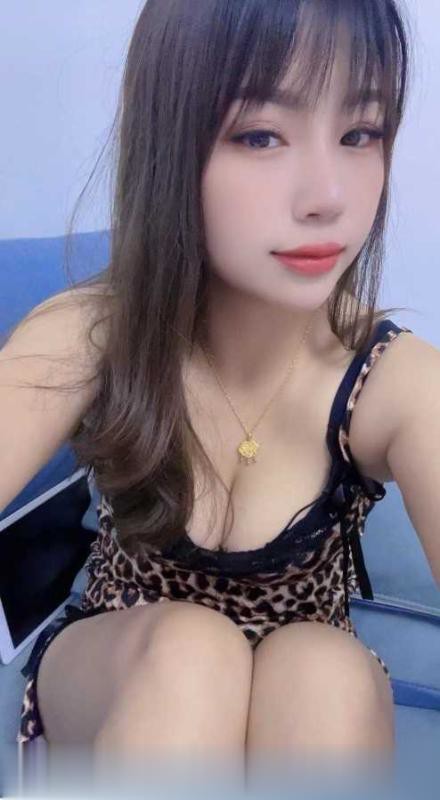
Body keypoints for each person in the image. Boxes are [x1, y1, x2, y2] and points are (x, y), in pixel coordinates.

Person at [2, 0, 427, 791]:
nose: (327, 195)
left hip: (306, 697)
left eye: (359, 133)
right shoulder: (96, 331)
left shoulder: (393, 379)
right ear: (171, 142)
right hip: (121, 664)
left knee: (325, 668)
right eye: (260, 135)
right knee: (193, 654)